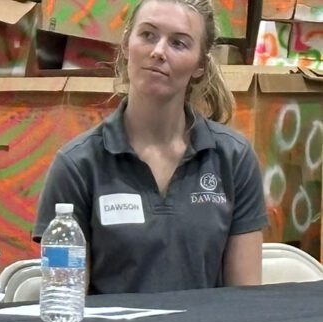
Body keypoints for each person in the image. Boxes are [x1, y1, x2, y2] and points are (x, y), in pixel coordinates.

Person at [33, 0, 267, 294]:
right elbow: (64, 303)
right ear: (126, 44)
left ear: (200, 66)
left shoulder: (234, 158)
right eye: (148, 35)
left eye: (179, 43)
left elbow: (245, 303)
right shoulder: (77, 165)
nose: (158, 51)